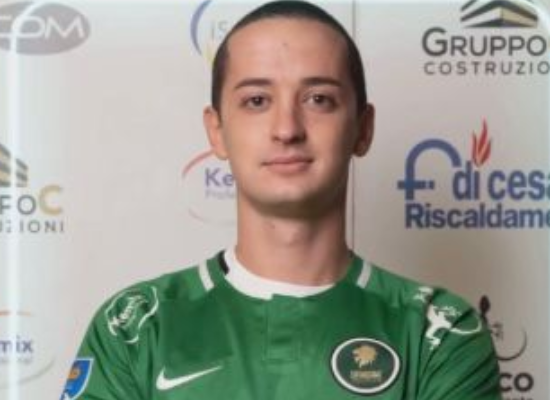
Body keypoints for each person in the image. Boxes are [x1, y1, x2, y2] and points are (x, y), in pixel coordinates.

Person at [60, 1, 502, 399]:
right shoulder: (135, 327)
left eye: (318, 99)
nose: (287, 128)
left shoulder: (438, 330)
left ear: (363, 128)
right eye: (256, 100)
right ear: (217, 131)